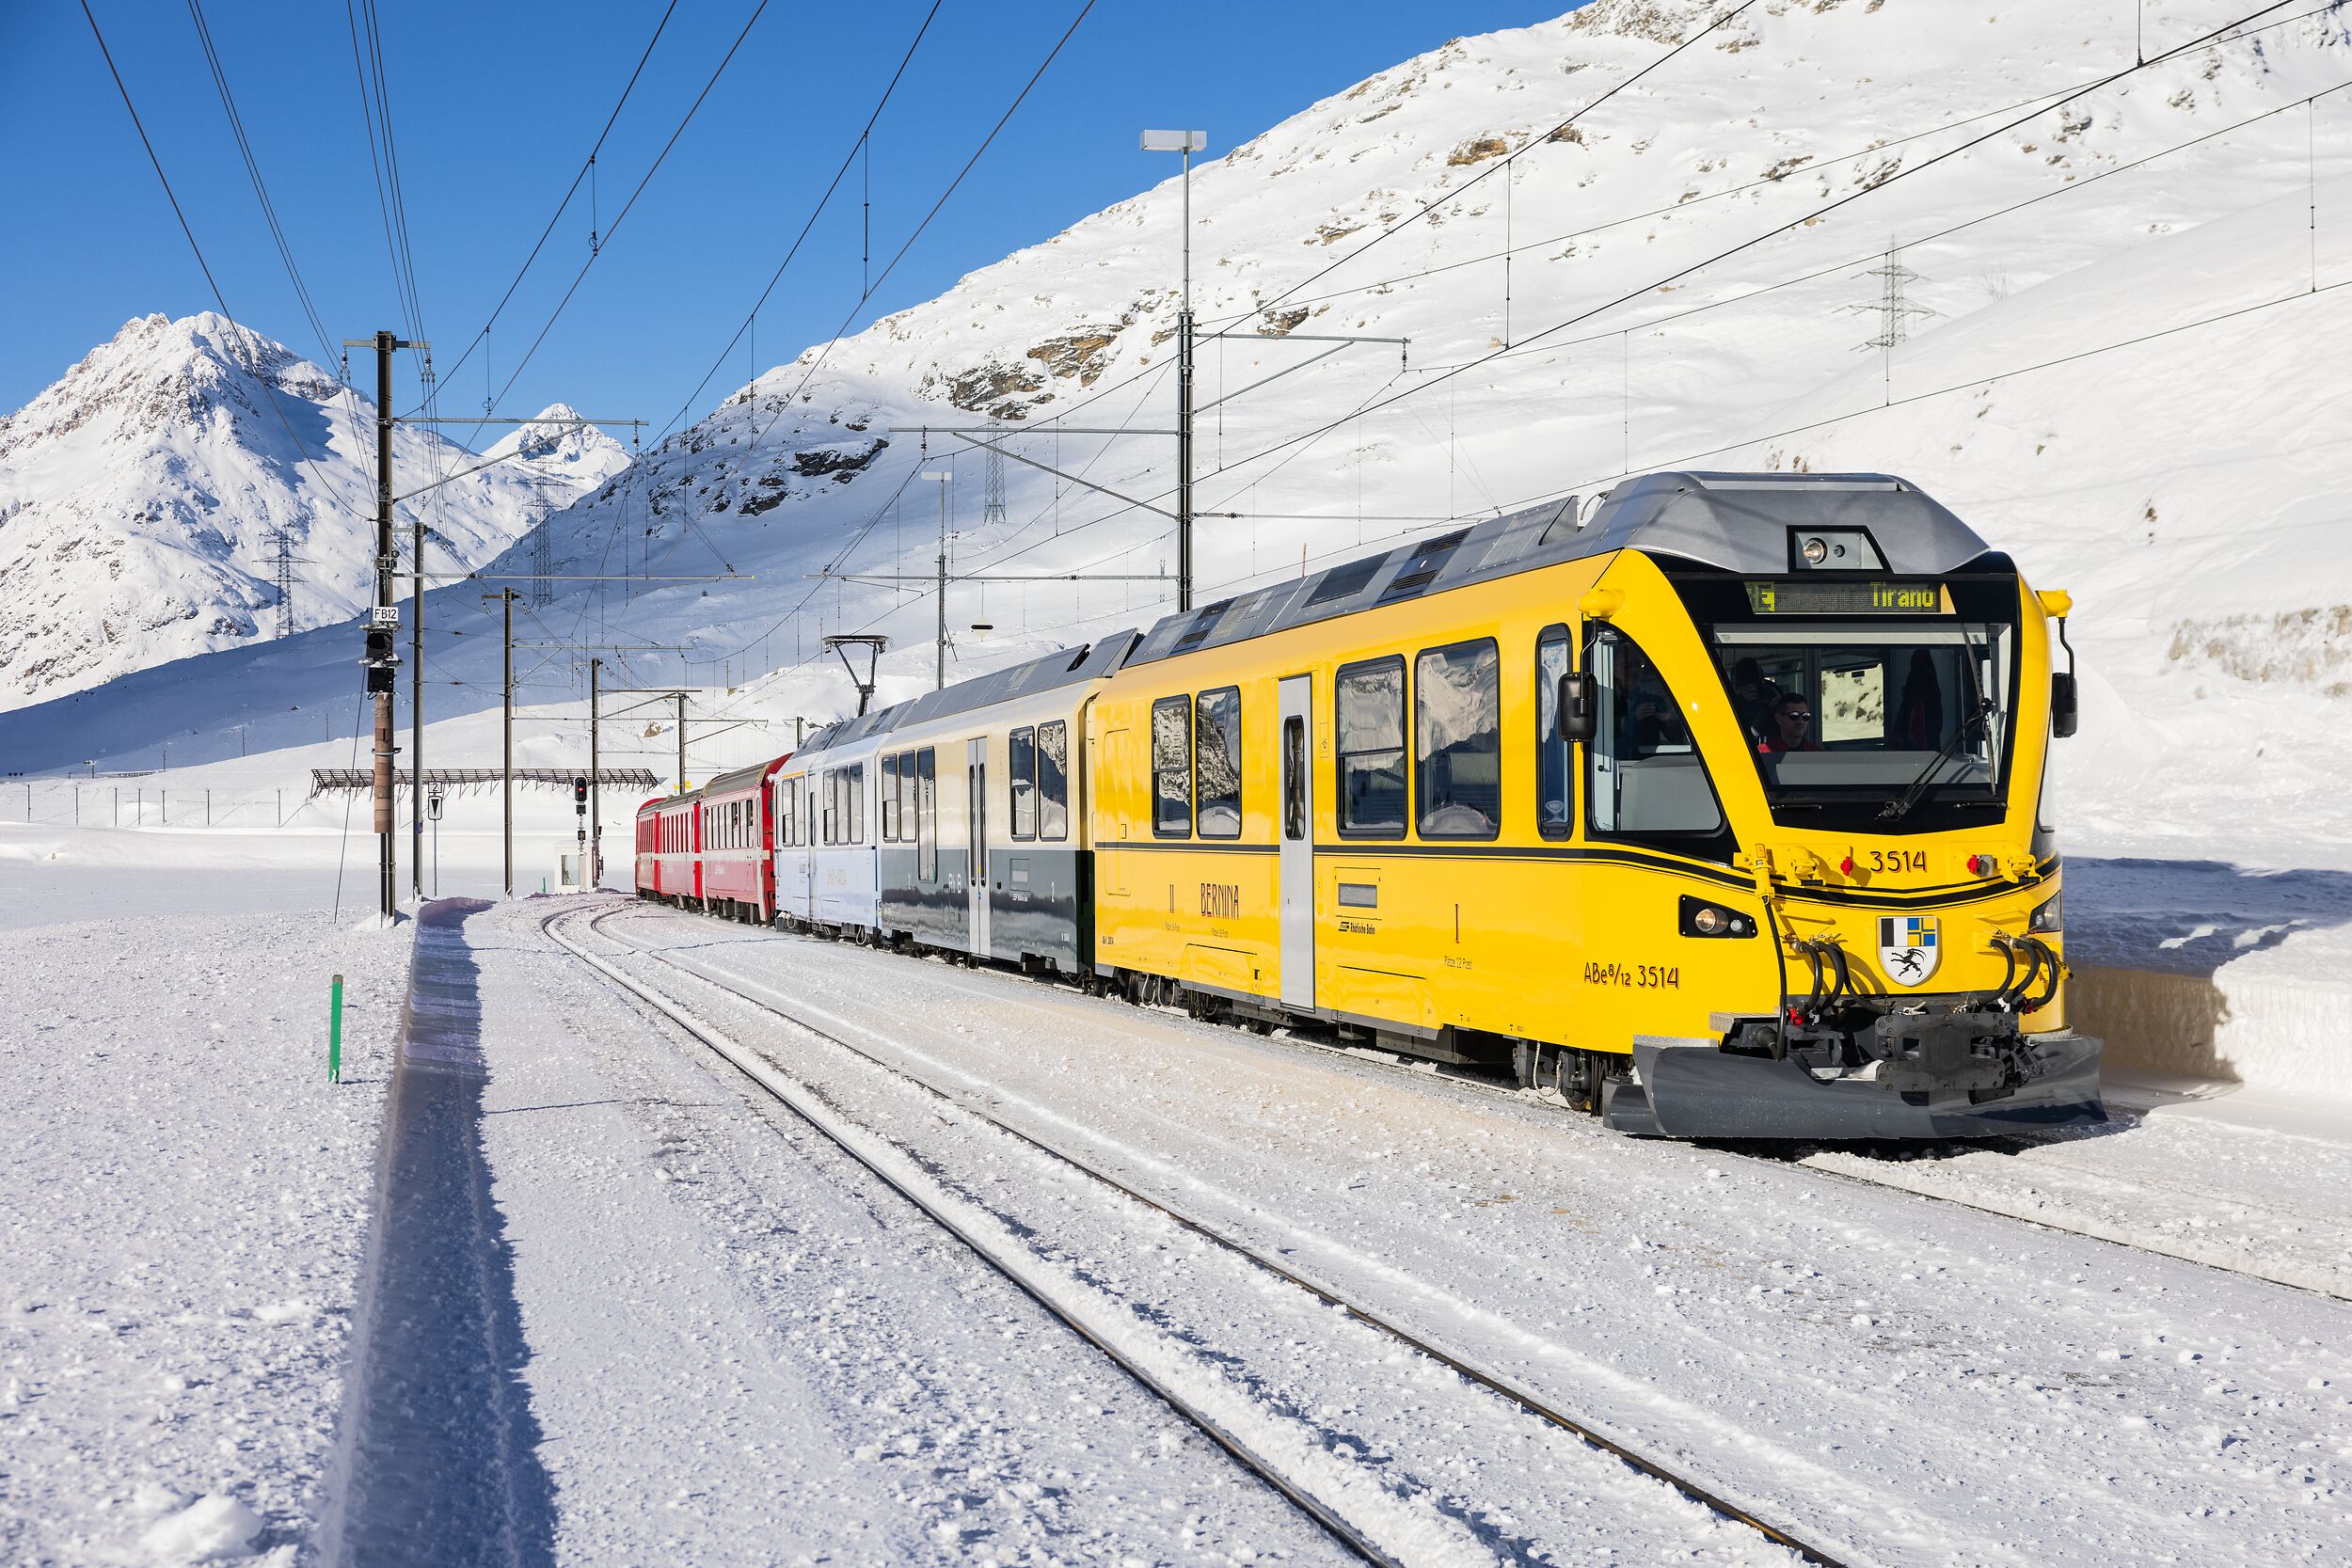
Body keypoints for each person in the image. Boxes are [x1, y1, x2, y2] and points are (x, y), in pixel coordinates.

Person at [1891, 649, 1943, 750]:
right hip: (1929, 756)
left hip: (1918, 755)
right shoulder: (1931, 696)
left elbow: (1913, 733)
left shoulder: (1914, 701)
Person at [1758, 690, 1825, 755]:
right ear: (1779, 718)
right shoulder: (1761, 754)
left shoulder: (1818, 754)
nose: (1801, 721)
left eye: (1805, 716)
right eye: (1794, 715)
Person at [1730, 657, 1780, 741]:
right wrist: (1740, 700)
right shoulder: (1731, 703)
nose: (1757, 690)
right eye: (1747, 686)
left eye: (1759, 684)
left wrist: (1781, 704)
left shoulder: (1771, 691)